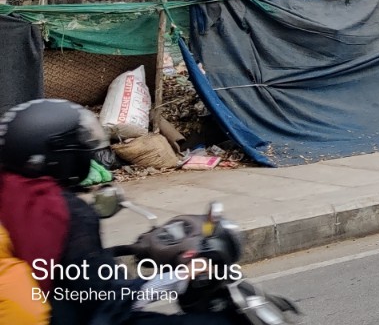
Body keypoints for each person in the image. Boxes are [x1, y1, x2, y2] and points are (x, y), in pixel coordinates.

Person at [0, 99, 241, 325]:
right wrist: (176, 277)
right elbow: (102, 298)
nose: (85, 152)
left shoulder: (9, 191)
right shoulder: (62, 210)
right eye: (78, 145)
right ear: (57, 153)